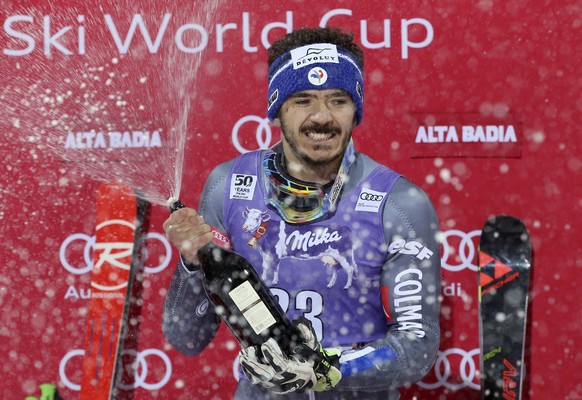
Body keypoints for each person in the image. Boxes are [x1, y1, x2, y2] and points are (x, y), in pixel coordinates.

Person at [162, 27, 441, 399]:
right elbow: (186, 339)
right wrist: (192, 265)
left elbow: (416, 349)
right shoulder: (229, 185)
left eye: (338, 100)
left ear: (356, 109)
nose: (321, 117)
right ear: (277, 110)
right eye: (303, 100)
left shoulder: (400, 202)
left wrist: (326, 371)